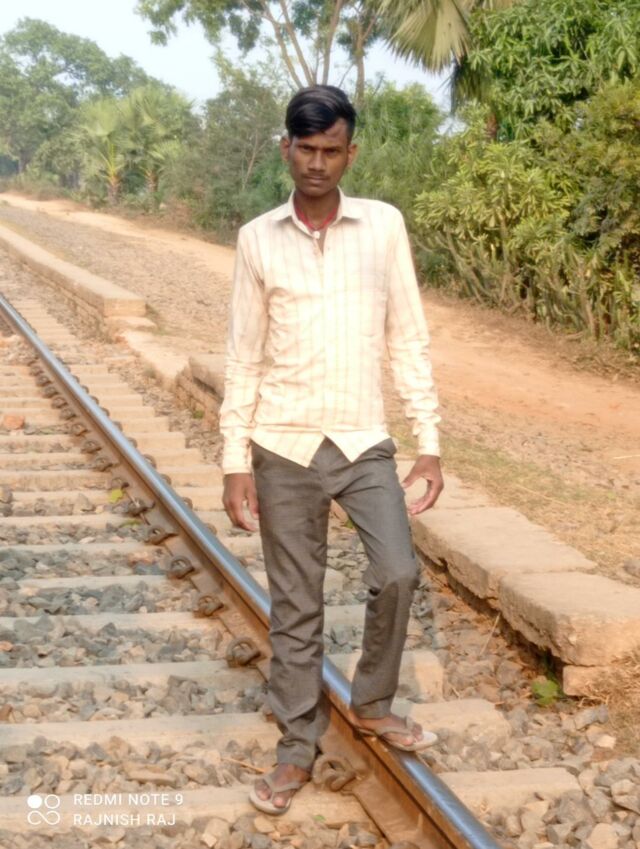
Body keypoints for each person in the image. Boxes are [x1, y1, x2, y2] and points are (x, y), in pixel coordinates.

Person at [220, 84, 444, 816]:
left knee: (398, 570)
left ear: (351, 152)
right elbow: (244, 356)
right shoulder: (258, 238)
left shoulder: (383, 226)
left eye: (331, 150)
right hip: (281, 444)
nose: (317, 164)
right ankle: (295, 748)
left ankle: (372, 702)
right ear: (286, 148)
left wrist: (429, 443)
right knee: (296, 607)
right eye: (305, 149)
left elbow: (407, 337)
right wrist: (233, 461)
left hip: (362, 439)